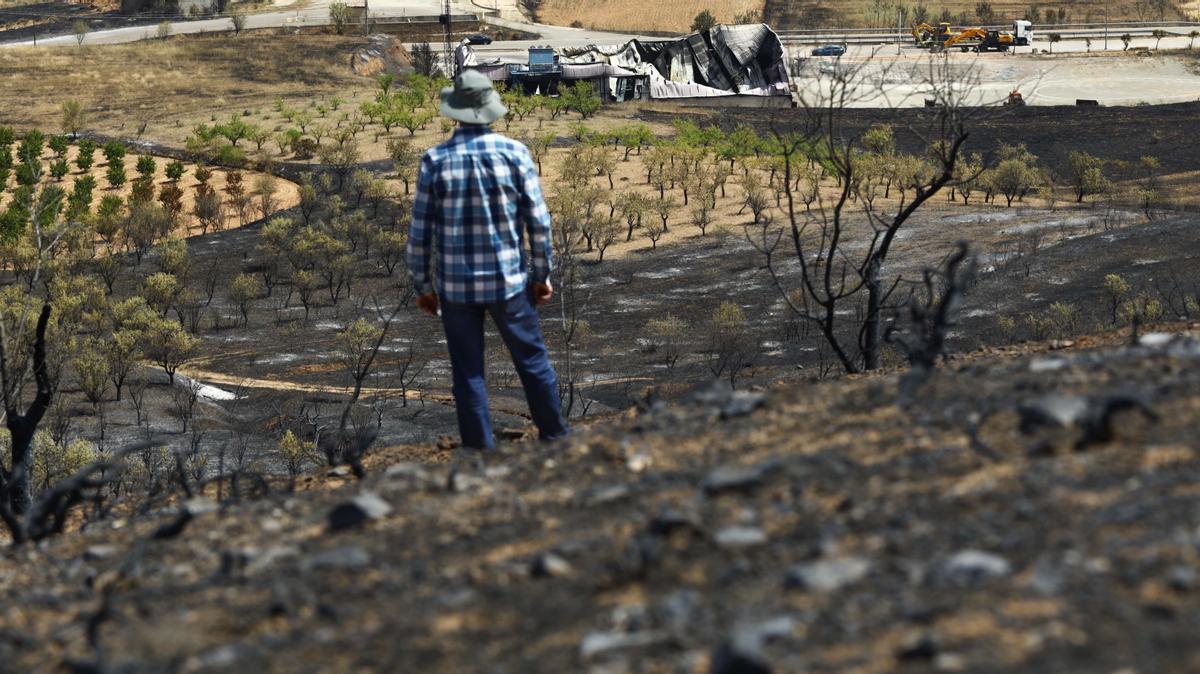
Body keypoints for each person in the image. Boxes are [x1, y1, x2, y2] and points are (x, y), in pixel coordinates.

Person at [406, 70, 569, 450]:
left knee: (468, 373)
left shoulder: (434, 160)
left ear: (455, 112)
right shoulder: (515, 154)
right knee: (532, 362)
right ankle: (556, 437)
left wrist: (423, 286)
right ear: (491, 111)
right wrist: (541, 273)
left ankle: (480, 452)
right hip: (509, 282)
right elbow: (539, 222)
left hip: (456, 289)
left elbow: (419, 233)